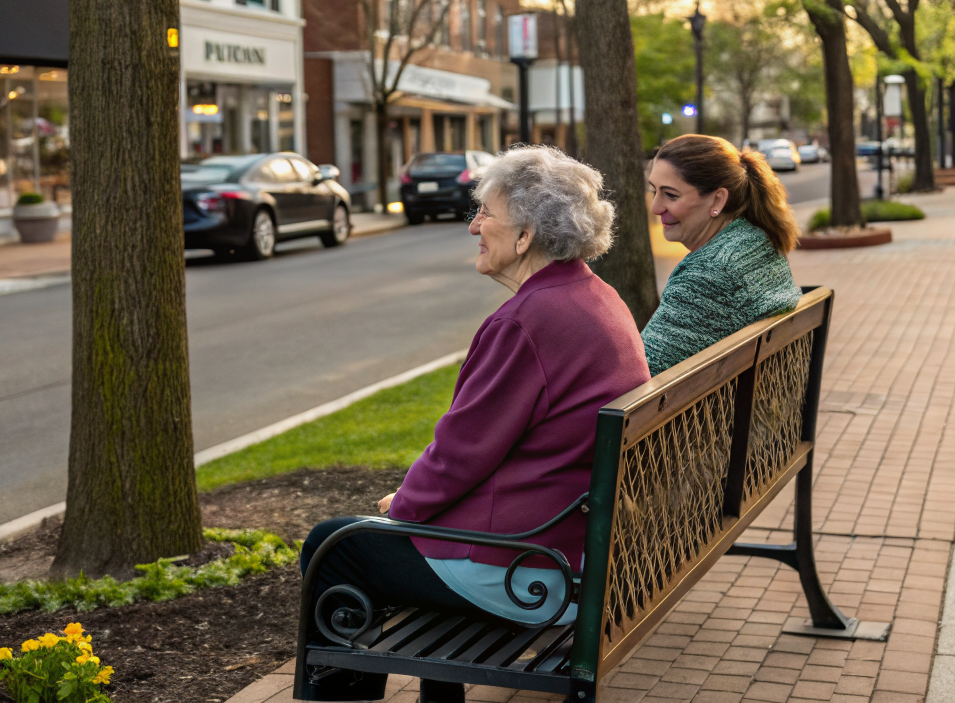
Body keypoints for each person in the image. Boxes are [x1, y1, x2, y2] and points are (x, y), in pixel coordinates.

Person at [300, 146, 649, 657]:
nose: (473, 227)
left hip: (532, 571)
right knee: (361, 539)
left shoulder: (527, 322)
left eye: (484, 213)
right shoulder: (596, 296)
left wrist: (405, 509)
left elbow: (460, 452)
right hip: (575, 547)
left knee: (334, 546)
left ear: (525, 236)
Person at [642, 134, 801, 376]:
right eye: (654, 191)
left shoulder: (709, 275)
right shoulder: (757, 240)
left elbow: (644, 375)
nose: (655, 207)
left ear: (718, 199)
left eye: (671, 195)